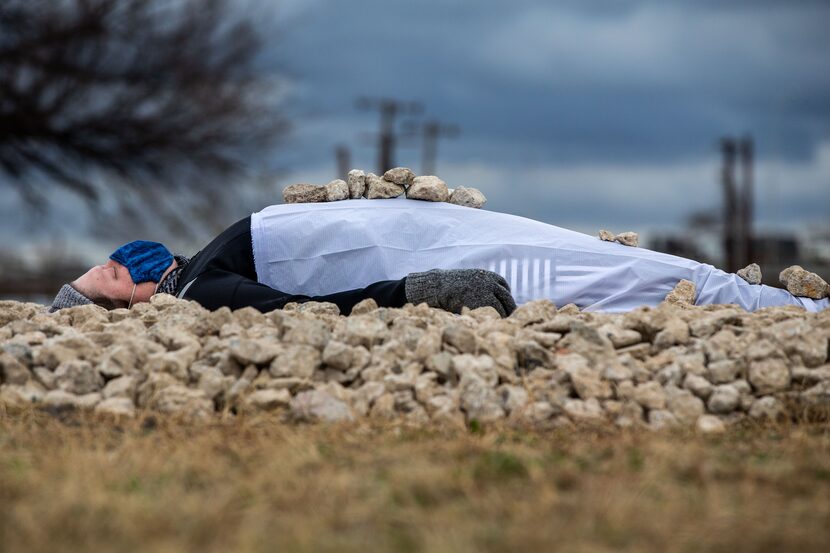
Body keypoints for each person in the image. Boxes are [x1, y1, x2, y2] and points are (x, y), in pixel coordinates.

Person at [50, 197, 830, 314]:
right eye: (106, 278)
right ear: (133, 305)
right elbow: (310, 316)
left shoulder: (195, 276)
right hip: (439, 250)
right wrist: (413, 291)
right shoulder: (202, 291)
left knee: (613, 271)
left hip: (426, 230)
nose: (116, 262)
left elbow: (306, 310)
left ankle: (792, 310)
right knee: (629, 281)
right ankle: (792, 312)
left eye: (106, 264)